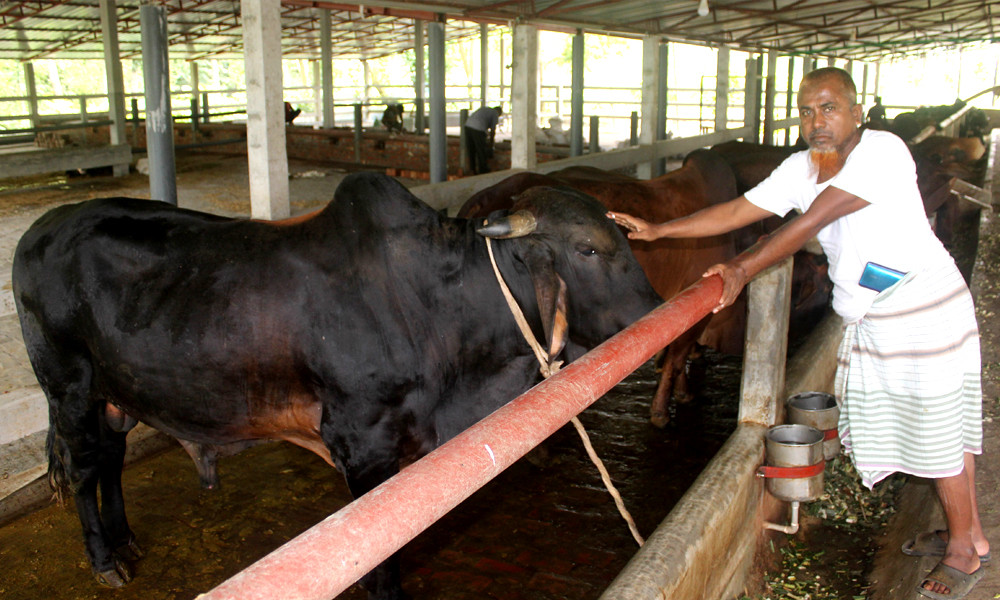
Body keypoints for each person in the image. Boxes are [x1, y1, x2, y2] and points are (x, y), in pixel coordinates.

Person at [608, 67, 988, 600]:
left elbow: (806, 224)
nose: (816, 121)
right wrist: (661, 230)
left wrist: (741, 268)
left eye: (829, 108)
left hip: (921, 306)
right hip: (880, 313)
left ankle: (964, 553)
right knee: (939, 427)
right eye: (806, 110)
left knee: (936, 431)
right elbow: (741, 208)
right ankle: (966, 532)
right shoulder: (802, 167)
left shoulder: (881, 151)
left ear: (858, 113)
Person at [464, 105, 502, 174]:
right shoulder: (495, 113)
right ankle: (483, 170)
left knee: (471, 149)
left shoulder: (485, 108)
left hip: (468, 126)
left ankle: (472, 169)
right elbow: (493, 131)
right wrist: (491, 144)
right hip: (478, 128)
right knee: (481, 150)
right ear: (499, 112)